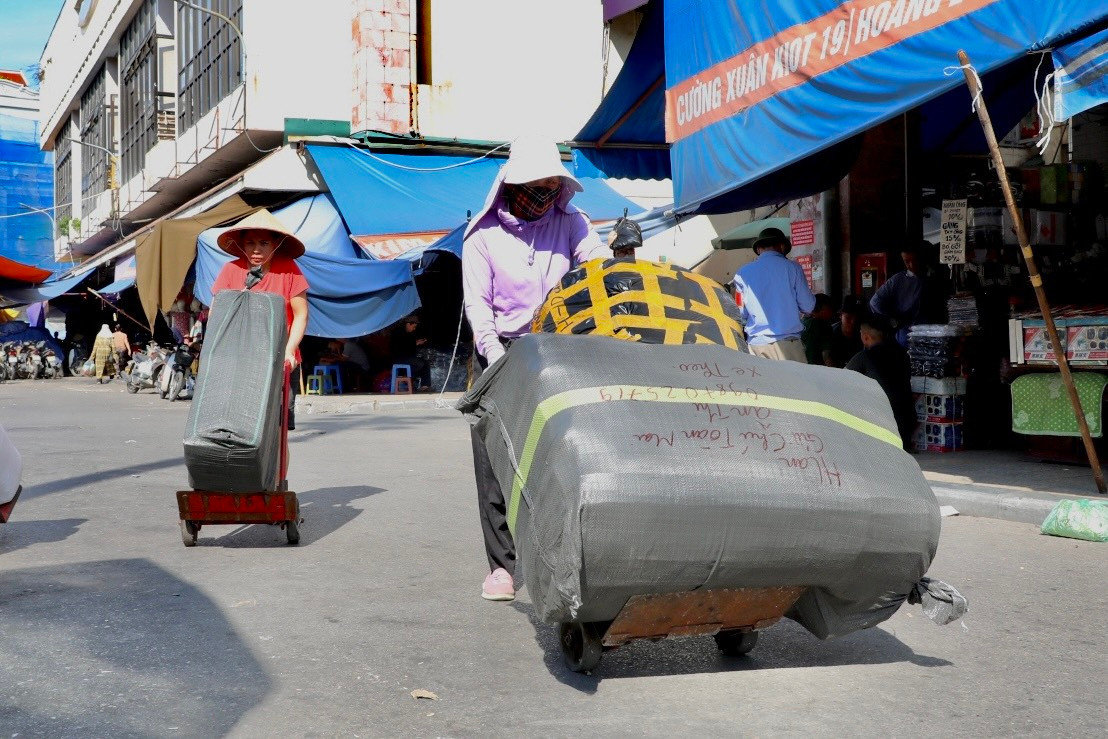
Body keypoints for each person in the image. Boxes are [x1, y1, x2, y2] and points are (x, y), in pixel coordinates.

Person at [462, 137, 605, 602]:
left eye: (551, 185)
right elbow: (477, 305)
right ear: (512, 184)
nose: (542, 193)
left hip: (560, 349)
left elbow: (598, 269)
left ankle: (568, 549)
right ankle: (502, 566)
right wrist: (496, 356)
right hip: (499, 349)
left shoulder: (571, 223)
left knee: (565, 454)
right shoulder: (482, 238)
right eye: (534, 185)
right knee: (495, 460)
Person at [210, 209, 309, 431]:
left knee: (278, 432)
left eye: (264, 243)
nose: (256, 249)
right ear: (241, 245)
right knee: (240, 429)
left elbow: (301, 314)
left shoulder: (290, 270)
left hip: (280, 361)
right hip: (240, 362)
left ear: (276, 243)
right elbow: (218, 314)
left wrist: (290, 350)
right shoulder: (230, 270)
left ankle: (278, 468)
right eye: (250, 243)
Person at [732, 227, 816, 361]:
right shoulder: (792, 268)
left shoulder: (742, 273)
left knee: (762, 383)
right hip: (788, 344)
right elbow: (808, 306)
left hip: (756, 345)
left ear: (759, 249)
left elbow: (740, 313)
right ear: (782, 247)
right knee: (792, 382)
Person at [845, 317, 917, 450]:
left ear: (866, 337)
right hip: (906, 424)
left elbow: (842, 382)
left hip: (880, 425)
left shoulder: (864, 358)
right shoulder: (903, 355)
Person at [869, 244, 924, 347]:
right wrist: (892, 320)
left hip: (931, 337)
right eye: (907, 262)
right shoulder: (898, 280)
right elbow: (875, 302)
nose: (911, 265)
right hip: (906, 340)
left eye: (915, 260)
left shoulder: (931, 278)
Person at [389, 315, 432, 391]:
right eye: (413, 327)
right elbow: (402, 347)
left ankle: (425, 386)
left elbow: (410, 347)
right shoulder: (398, 333)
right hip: (399, 359)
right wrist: (415, 343)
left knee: (425, 364)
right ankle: (408, 382)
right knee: (420, 364)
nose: (414, 329)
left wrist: (416, 343)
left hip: (407, 358)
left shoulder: (409, 334)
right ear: (408, 324)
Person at [830, 295, 865, 368]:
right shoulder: (830, 334)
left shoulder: (866, 336)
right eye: (848, 317)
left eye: (858, 318)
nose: (853, 322)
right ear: (840, 316)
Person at [801, 293, 835, 367]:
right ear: (823, 309)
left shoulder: (802, 322)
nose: (832, 313)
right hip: (817, 370)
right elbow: (826, 356)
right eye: (829, 309)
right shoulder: (822, 325)